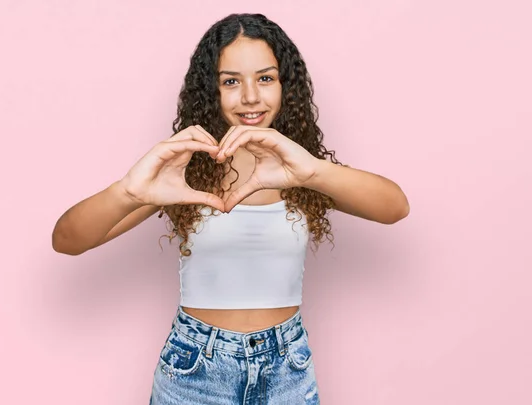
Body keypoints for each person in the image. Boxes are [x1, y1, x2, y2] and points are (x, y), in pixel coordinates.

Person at [52, 13, 409, 405]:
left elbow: (395, 207)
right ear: (211, 91)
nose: (251, 96)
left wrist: (312, 170)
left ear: (285, 87)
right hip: (195, 369)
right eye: (231, 81)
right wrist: (128, 192)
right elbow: (67, 240)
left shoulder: (300, 169)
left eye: (265, 78)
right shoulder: (185, 170)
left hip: (287, 367)